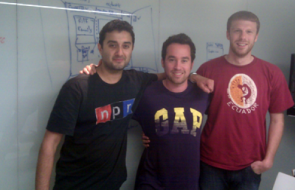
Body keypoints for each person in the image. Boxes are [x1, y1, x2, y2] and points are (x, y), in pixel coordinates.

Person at [35, 20, 213, 190]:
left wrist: (193, 76)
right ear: (100, 47)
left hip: (113, 184)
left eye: (126, 46)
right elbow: (49, 145)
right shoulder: (77, 88)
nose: (119, 52)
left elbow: (172, 74)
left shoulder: (135, 81)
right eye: (112, 45)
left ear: (131, 49)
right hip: (76, 185)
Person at [196, 11, 294, 190]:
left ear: (256, 37)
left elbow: (278, 120)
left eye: (249, 32)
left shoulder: (272, 73)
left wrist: (269, 159)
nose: (242, 37)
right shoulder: (207, 69)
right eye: (237, 31)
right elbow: (188, 108)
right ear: (228, 34)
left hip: (250, 166)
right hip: (209, 163)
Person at [133, 33, 209, 190]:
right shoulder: (146, 93)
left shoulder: (203, 94)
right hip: (151, 181)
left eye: (184, 60)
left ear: (192, 63)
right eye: (172, 59)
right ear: (163, 61)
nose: (178, 66)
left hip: (188, 182)